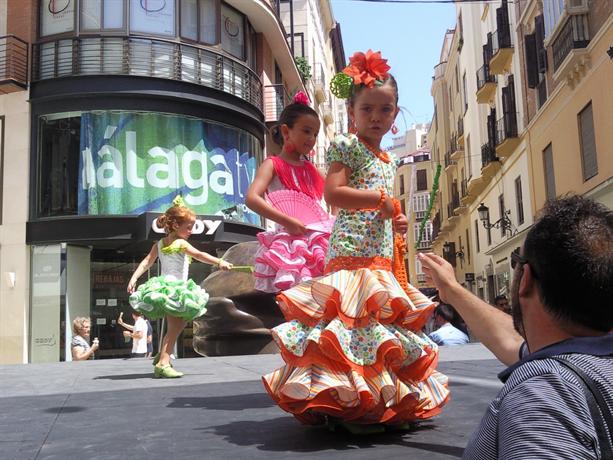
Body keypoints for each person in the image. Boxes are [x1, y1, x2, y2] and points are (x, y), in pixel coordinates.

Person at [262, 50, 449, 432]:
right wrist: (381, 201)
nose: (376, 117)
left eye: (385, 110)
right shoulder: (347, 147)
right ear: (352, 113)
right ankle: (351, 404)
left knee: (376, 332)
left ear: (396, 114)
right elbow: (334, 193)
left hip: (378, 253)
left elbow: (382, 202)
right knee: (351, 328)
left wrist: (395, 218)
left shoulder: (386, 159)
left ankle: (379, 402)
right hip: (351, 251)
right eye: (368, 110)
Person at [419, 195, 613, 458]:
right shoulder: (579, 360)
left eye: (515, 261)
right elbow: (510, 342)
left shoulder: (544, 394)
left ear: (526, 278)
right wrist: (451, 290)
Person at [127, 196, 233, 378]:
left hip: (165, 289)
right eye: (189, 227)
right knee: (176, 327)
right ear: (176, 226)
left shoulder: (160, 244)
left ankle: (162, 354)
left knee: (176, 325)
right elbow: (199, 254)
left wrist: (134, 278)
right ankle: (163, 363)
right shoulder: (180, 243)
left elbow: (147, 262)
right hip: (177, 289)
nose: (191, 231)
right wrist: (220, 261)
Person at [246, 91, 329, 293]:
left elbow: (334, 198)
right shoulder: (272, 164)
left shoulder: (314, 171)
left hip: (316, 241)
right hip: (288, 244)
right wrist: (286, 221)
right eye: (307, 131)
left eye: (316, 134)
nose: (312, 138)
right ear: (286, 131)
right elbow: (252, 198)